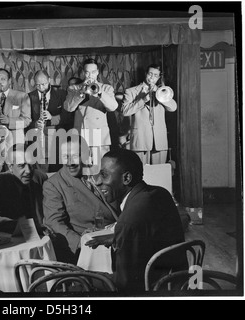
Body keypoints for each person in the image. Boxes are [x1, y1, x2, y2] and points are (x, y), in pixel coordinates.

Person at [85, 148, 186, 293]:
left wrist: (87, 276)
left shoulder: (128, 221)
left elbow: (124, 284)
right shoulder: (160, 193)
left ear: (126, 178)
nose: (98, 182)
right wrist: (117, 238)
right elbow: (153, 237)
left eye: (104, 175)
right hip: (176, 283)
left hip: (153, 291)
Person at [43, 137, 119, 264]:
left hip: (119, 234)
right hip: (93, 246)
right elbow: (54, 222)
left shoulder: (100, 172)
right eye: (65, 156)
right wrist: (81, 242)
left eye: (75, 156)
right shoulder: (53, 184)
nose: (70, 162)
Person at [64, 58, 118, 175]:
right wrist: (80, 93)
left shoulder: (106, 88)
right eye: (87, 72)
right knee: (82, 172)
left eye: (93, 72)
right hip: (81, 136)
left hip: (99, 137)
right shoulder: (74, 89)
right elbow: (68, 107)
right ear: (83, 73)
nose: (90, 75)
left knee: (101, 172)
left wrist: (99, 93)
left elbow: (113, 107)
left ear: (98, 72)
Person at [0, 144, 48, 234]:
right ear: (10, 167)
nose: (28, 171)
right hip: (13, 238)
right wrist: (23, 227)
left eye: (31, 165)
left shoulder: (40, 178)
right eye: (21, 165)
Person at [121, 64, 177, 165]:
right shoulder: (131, 91)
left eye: (155, 75)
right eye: (150, 74)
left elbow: (173, 107)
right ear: (146, 74)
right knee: (141, 173)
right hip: (140, 139)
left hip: (159, 141)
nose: (152, 77)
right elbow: (125, 111)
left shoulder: (162, 91)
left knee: (159, 174)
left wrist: (159, 94)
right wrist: (143, 99)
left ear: (159, 77)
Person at [28, 70, 73, 172]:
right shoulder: (29, 97)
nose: (41, 88)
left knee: (56, 171)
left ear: (49, 80)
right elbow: (25, 120)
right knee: (39, 172)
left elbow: (68, 118)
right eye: (37, 85)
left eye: (43, 84)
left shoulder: (62, 94)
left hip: (56, 140)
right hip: (37, 141)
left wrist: (51, 117)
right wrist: (35, 123)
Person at [0, 68, 31, 153]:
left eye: (3, 79)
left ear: (9, 81)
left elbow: (26, 121)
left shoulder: (22, 96)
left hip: (16, 146)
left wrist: (9, 121)